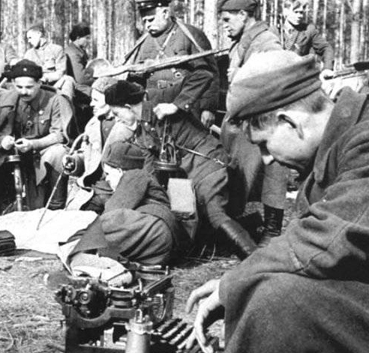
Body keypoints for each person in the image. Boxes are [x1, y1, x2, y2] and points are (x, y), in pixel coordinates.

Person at [186, 50, 369, 353]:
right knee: (269, 289)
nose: (266, 159)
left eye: (264, 145)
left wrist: (231, 284)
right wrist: (242, 285)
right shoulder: (349, 139)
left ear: (290, 122)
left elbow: (323, 244)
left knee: (280, 301)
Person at [104, 80, 257, 259]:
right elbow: (149, 166)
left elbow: (201, 77)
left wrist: (176, 105)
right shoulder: (142, 132)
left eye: (116, 113)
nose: (116, 119)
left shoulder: (161, 106)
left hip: (209, 162)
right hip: (185, 174)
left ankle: (254, 259)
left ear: (128, 106)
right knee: (185, 215)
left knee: (215, 213)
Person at [218, 0, 290, 245]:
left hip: (262, 120)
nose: (224, 25)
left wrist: (241, 75)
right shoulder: (243, 40)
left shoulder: (267, 41)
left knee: (271, 172)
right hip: (244, 121)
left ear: (243, 15)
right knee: (239, 173)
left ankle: (272, 230)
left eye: (228, 19)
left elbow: (275, 75)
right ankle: (244, 225)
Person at [0, 60, 73, 214]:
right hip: (9, 151)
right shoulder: (1, 98)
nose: (24, 92)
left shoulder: (55, 100)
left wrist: (33, 144)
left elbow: (59, 135)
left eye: (29, 87)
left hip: (40, 152)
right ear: (12, 83)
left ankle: (55, 206)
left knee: (58, 153)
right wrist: (0, 140)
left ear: (39, 83)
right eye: (19, 87)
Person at [82, 140, 185, 265]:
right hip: (157, 245)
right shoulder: (142, 177)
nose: (107, 179)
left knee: (106, 222)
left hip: (155, 230)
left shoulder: (134, 175)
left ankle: (80, 248)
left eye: (108, 174)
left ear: (120, 170)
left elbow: (114, 210)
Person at [125, 0, 219, 128]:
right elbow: (137, 78)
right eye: (144, 21)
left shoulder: (190, 35)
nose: (147, 26)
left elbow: (209, 72)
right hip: (154, 110)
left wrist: (208, 108)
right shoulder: (144, 42)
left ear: (165, 13)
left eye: (150, 20)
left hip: (186, 109)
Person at [63, 77, 134, 213]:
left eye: (96, 100)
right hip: (92, 190)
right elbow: (87, 155)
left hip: (117, 193)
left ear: (111, 101)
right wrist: (74, 161)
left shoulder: (129, 125)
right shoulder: (93, 124)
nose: (91, 104)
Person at [279, 0, 335, 79]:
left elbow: (326, 48)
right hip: (279, 78)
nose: (299, 16)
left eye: (301, 12)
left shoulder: (308, 29)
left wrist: (327, 68)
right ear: (285, 12)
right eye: (296, 12)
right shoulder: (274, 31)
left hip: (301, 77)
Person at [23, 22, 74, 99]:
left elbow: (60, 73)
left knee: (68, 79)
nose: (29, 41)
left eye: (30, 37)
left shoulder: (57, 50)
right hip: (36, 87)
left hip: (54, 86)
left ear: (39, 34)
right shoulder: (28, 54)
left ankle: (66, 105)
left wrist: (45, 78)